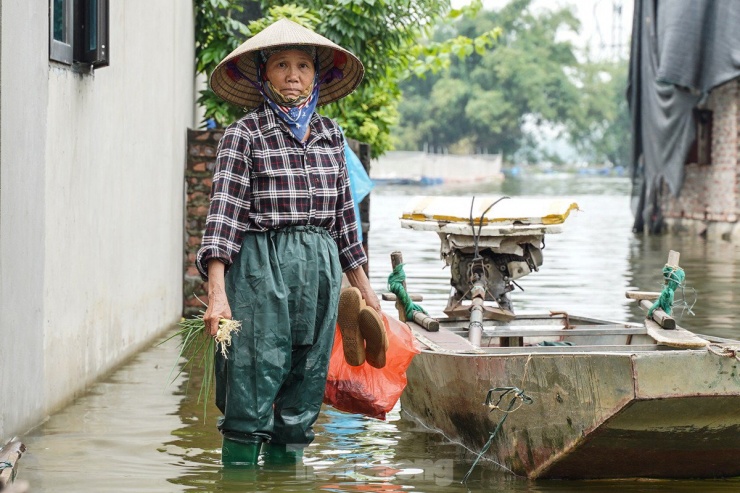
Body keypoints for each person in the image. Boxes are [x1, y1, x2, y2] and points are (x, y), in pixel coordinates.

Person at [195, 19, 384, 466]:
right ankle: (238, 474)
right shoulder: (245, 135)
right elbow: (223, 218)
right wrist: (217, 297)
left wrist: (367, 292)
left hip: (319, 268)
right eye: (281, 65)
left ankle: (286, 473)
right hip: (262, 268)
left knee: (304, 388)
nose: (294, 74)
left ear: (317, 75)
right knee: (251, 378)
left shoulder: (331, 136)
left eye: (303, 65)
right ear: (264, 75)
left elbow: (344, 222)